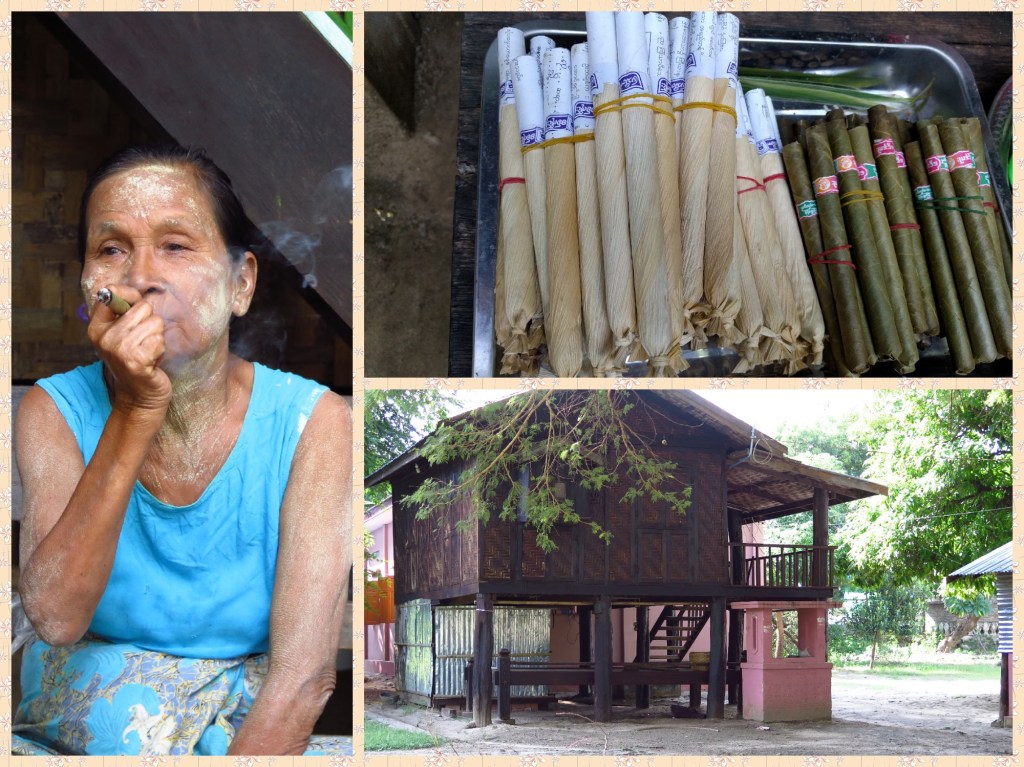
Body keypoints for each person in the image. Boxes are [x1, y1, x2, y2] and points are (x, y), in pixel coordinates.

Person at [12, 146, 352, 756]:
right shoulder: (51, 410)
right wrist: (136, 409)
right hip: (78, 727)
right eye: (111, 249)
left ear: (240, 283)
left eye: (176, 245)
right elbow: (57, 618)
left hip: (243, 734)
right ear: (90, 291)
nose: (141, 276)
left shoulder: (317, 426)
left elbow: (302, 682)